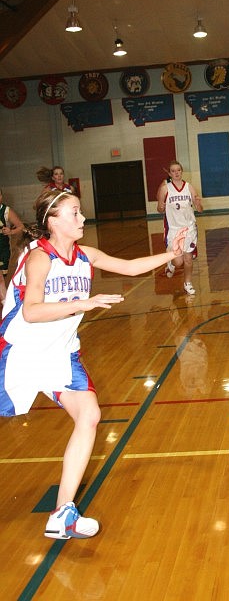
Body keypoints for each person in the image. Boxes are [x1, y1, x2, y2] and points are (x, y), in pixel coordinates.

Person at [0, 188, 186, 539]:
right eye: (74, 213)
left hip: (59, 352)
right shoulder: (40, 258)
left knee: (89, 415)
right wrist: (83, 305)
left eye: (80, 211)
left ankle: (62, 512)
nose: (82, 217)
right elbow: (32, 311)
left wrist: (170, 254)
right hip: (20, 352)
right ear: (52, 221)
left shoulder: (85, 254)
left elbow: (129, 268)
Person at [156, 160, 203, 295]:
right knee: (178, 262)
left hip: (189, 228)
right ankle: (171, 264)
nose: (176, 173)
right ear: (170, 174)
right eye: (173, 171)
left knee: (188, 259)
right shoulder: (165, 189)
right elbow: (159, 209)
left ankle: (188, 283)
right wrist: (161, 207)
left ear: (182, 171)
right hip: (174, 229)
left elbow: (199, 209)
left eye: (178, 170)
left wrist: (198, 204)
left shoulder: (189, 187)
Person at [0, 188, 24, 305]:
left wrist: (10, 232)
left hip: (2, 248)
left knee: (1, 279)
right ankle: (6, 304)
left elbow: (20, 226)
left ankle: (6, 305)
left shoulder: (6, 211)